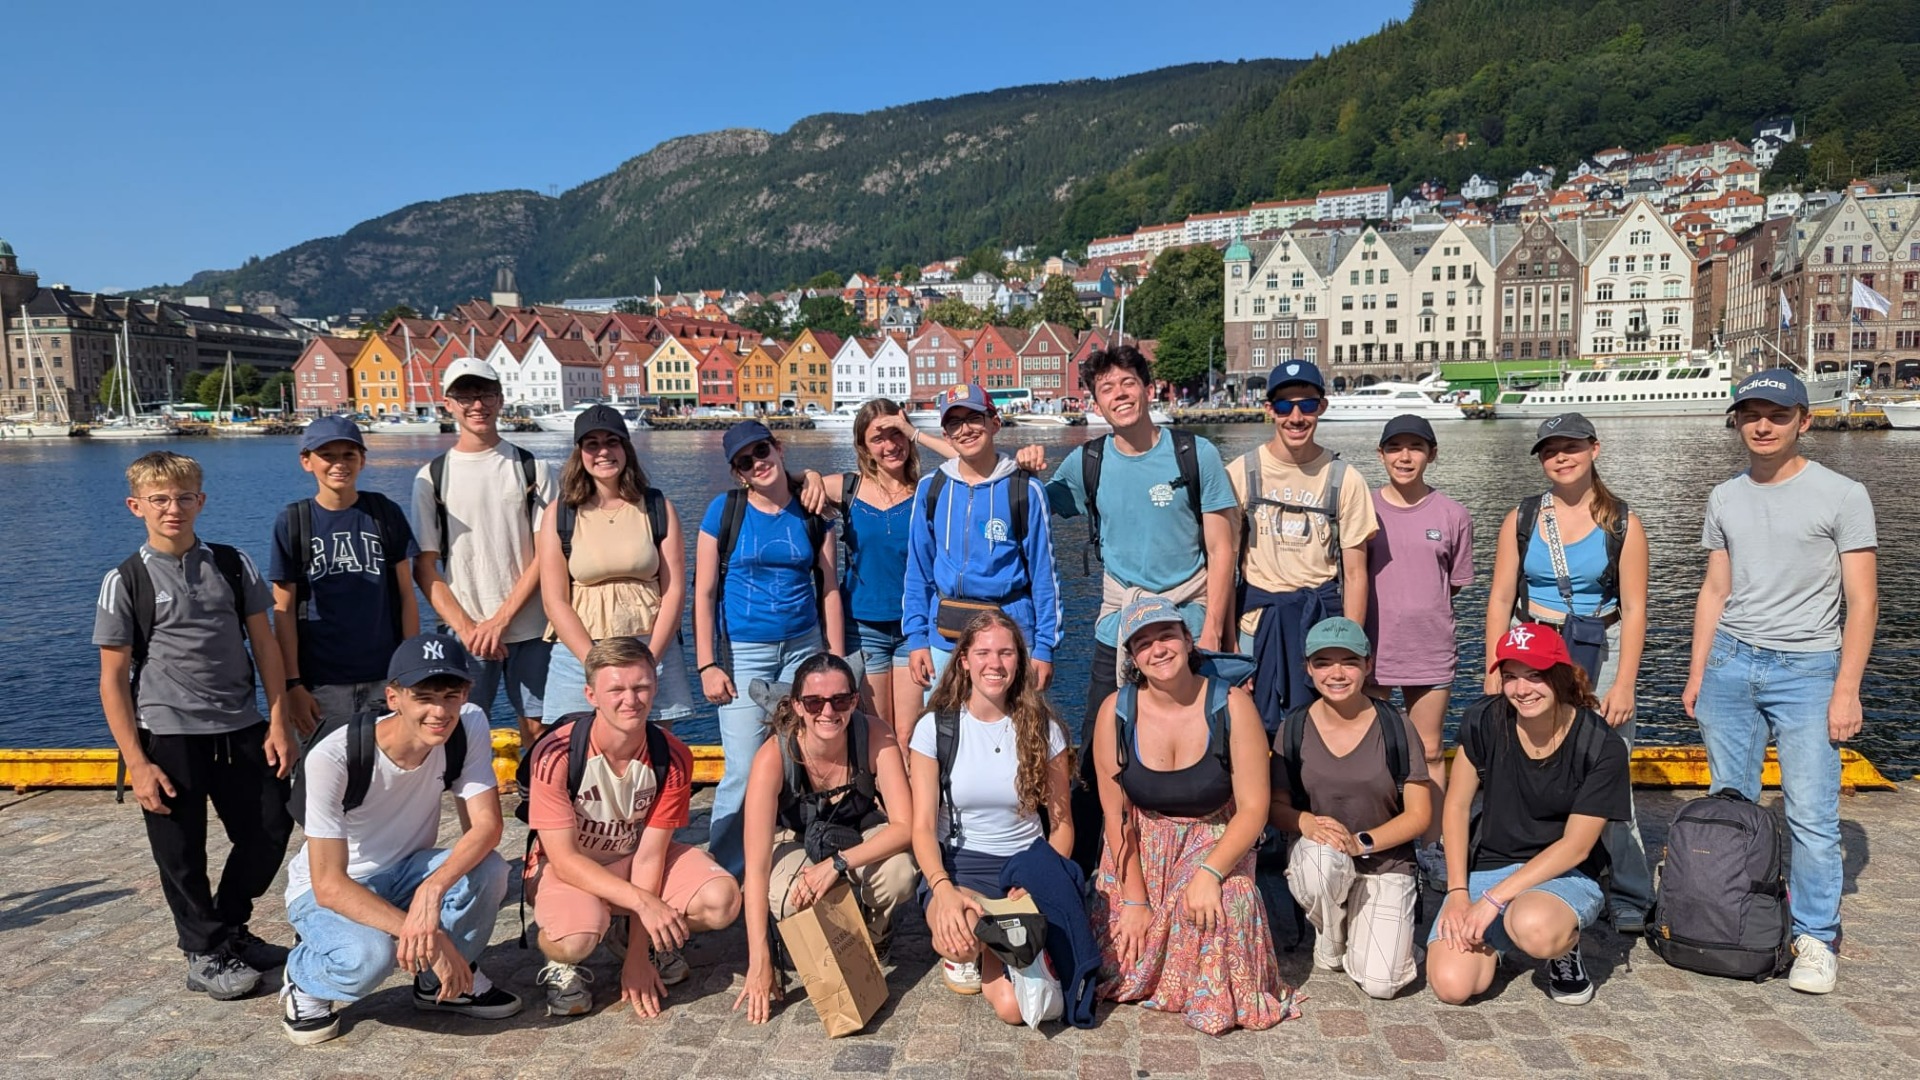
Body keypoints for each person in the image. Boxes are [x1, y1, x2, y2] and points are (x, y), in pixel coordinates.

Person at [1683, 369, 1878, 995]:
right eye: (1751, 415)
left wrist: (1847, 688)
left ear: (1804, 421)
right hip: (1730, 662)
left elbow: (1863, 601)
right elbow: (1715, 589)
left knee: (1812, 814)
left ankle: (1816, 935)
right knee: (1730, 801)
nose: (1762, 426)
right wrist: (1698, 670)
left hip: (1809, 668)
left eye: (1777, 415)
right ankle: (1732, 915)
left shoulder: (1842, 495)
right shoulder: (1724, 496)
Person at [95, 450, 296, 1001]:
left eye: (184, 497)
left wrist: (279, 721)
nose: (173, 508)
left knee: (270, 826)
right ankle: (203, 951)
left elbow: (266, 646)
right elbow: (112, 679)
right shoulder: (126, 580)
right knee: (181, 853)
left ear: (201, 501)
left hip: (240, 726)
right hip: (167, 733)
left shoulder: (231, 564)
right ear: (136, 506)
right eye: (159, 499)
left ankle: (229, 926)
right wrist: (137, 763)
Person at [279, 634, 521, 1045]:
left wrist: (432, 889)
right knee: (371, 957)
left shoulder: (469, 723)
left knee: (491, 870)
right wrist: (433, 937)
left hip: (409, 871)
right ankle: (304, 976)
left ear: (465, 694)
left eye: (450, 696)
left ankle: (437, 984)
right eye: (423, 697)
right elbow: (329, 885)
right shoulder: (334, 757)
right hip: (333, 888)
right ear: (393, 698)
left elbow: (486, 827)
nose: (439, 711)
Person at [1091, 597, 1298, 1034]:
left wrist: (1210, 872)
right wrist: (1135, 899)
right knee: (1121, 959)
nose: (1157, 649)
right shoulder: (1116, 712)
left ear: (1188, 640)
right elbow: (1116, 815)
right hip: (1142, 844)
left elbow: (1254, 808)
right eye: (1143, 643)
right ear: (1132, 658)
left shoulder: (1232, 706)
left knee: (1225, 906)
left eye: (1166, 635)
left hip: (1214, 836)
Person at [1481, 412, 1651, 932]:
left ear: (1594, 449)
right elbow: (1501, 597)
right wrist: (1494, 666)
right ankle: (1523, 869)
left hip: (1598, 646)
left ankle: (1630, 889)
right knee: (1518, 763)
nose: (1561, 458)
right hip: (1531, 647)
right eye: (1550, 450)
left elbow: (1636, 609)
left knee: (1609, 765)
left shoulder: (1623, 523)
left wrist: (1624, 682)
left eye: (1571, 447)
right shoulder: (1523, 518)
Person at [1011, 344, 1239, 727]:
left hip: (1188, 623)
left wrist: (1215, 632)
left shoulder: (1195, 454)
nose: (1119, 394)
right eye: (1106, 388)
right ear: (1097, 404)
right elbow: (1027, 510)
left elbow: (1222, 550)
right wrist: (1025, 472)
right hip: (1120, 623)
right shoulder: (1088, 462)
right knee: (1101, 734)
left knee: (1199, 735)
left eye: (1128, 383)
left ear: (1148, 390)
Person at [525, 638, 742, 1018]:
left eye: (641, 687)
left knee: (722, 902)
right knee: (575, 939)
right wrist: (643, 903)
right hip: (568, 867)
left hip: (631, 856)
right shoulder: (556, 753)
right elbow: (564, 859)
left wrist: (638, 957)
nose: (631, 700)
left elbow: (650, 856)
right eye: (617, 690)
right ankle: (562, 959)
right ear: (591, 695)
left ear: (655, 688)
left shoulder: (671, 755)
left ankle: (629, 936)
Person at [1427, 623, 1629, 1008]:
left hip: (1564, 872)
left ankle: (1562, 948)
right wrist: (1457, 893)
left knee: (1534, 926)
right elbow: (1456, 806)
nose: (1522, 690)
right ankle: (1501, 936)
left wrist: (1491, 901)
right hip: (1492, 862)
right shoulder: (1484, 720)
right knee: (1453, 985)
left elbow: (1576, 846)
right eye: (1510, 677)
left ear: (1562, 675)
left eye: (1535, 675)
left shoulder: (1601, 745)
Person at [694, 420, 845, 876]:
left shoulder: (812, 512)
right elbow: (704, 593)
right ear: (737, 472)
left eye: (761, 451)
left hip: (803, 647)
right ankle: (725, 870)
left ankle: (803, 852)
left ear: (778, 449)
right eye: (744, 462)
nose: (756, 464)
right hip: (745, 652)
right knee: (742, 767)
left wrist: (835, 661)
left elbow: (829, 588)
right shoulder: (724, 511)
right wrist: (707, 664)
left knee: (806, 754)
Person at [734, 653, 918, 1024]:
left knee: (900, 872)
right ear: (797, 706)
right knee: (786, 894)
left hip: (856, 832)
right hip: (796, 837)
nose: (828, 711)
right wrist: (759, 959)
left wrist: (837, 864)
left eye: (840, 700)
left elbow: (905, 825)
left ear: (855, 700)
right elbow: (755, 867)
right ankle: (807, 933)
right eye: (815, 702)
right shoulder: (774, 757)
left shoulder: (875, 735)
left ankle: (875, 932)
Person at [908, 611, 1073, 1020]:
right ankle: (986, 947)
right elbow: (923, 827)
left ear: (1019, 660)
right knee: (958, 941)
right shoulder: (935, 728)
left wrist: (1041, 880)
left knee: (1016, 1010)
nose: (994, 664)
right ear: (964, 660)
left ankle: (1002, 947)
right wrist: (943, 888)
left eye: (1006, 652)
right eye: (983, 653)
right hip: (962, 865)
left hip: (1027, 864)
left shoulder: (1043, 727)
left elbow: (1063, 825)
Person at [1271, 617, 1432, 999]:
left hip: (1384, 861)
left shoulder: (1396, 726)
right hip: (1321, 855)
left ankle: (1377, 934)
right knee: (1321, 865)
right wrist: (1305, 822)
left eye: (1349, 662)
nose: (1337, 673)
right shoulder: (1294, 727)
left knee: (1381, 984)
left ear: (1368, 665)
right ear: (1308, 668)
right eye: (1323, 663)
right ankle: (1331, 936)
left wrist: (1361, 842)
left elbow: (1419, 814)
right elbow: (1275, 806)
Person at [411, 357, 559, 749]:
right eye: (465, 396)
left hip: (532, 628)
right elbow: (425, 567)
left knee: (540, 731)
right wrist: (468, 628)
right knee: (460, 733)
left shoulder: (533, 468)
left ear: (501, 399)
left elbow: (547, 554)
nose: (477, 405)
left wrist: (500, 620)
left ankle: (536, 790)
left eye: (486, 394)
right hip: (465, 633)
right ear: (448, 404)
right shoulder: (431, 478)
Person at [1227, 362, 1377, 732]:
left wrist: (1349, 646)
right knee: (1249, 727)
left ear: (1321, 407)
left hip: (1320, 624)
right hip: (1254, 624)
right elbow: (1223, 565)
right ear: (1269, 410)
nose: (1296, 417)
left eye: (1307, 405)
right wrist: (1229, 644)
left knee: (1319, 728)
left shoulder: (1345, 479)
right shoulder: (1241, 473)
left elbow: (1356, 574)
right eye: (1284, 406)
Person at [536, 404, 692, 732]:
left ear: (626, 449)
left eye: (612, 442)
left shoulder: (657, 507)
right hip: (579, 653)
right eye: (592, 444)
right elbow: (554, 600)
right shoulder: (560, 513)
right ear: (580, 453)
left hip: (650, 646)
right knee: (572, 744)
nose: (603, 452)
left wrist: (649, 660)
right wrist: (595, 666)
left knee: (653, 747)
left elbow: (674, 590)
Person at [1362, 414, 1472, 882]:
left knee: (1428, 749)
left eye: (1415, 448)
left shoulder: (1452, 514)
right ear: (1381, 454)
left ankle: (1432, 843)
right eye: (1395, 448)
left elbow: (1454, 582)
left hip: (1429, 647)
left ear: (1432, 454)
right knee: (1372, 749)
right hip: (1372, 648)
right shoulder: (1363, 507)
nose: (1404, 457)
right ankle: (1375, 835)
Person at [903, 384, 1061, 693]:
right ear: (946, 435)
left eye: (974, 418)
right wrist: (917, 638)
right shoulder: (931, 488)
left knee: (1014, 723)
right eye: (954, 423)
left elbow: (1045, 576)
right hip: (945, 638)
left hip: (1010, 638)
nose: (965, 430)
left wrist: (1044, 647)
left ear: (995, 423)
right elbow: (917, 570)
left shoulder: (1025, 490)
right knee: (944, 722)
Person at [271, 415, 421, 732]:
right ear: (307, 462)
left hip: (385, 677)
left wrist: (410, 670)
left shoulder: (384, 513)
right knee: (323, 762)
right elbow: (283, 610)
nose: (339, 464)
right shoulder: (294, 521)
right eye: (327, 455)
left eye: (348, 455)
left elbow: (407, 596)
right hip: (320, 683)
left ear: (362, 460)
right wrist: (292, 684)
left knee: (387, 761)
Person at [812, 401, 938, 748]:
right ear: (864, 447)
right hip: (863, 628)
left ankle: (913, 785)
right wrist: (809, 476)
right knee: (877, 733)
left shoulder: (928, 491)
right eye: (878, 439)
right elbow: (785, 483)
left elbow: (969, 465)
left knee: (911, 734)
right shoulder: (847, 489)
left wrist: (915, 432)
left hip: (914, 627)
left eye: (897, 434)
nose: (890, 445)